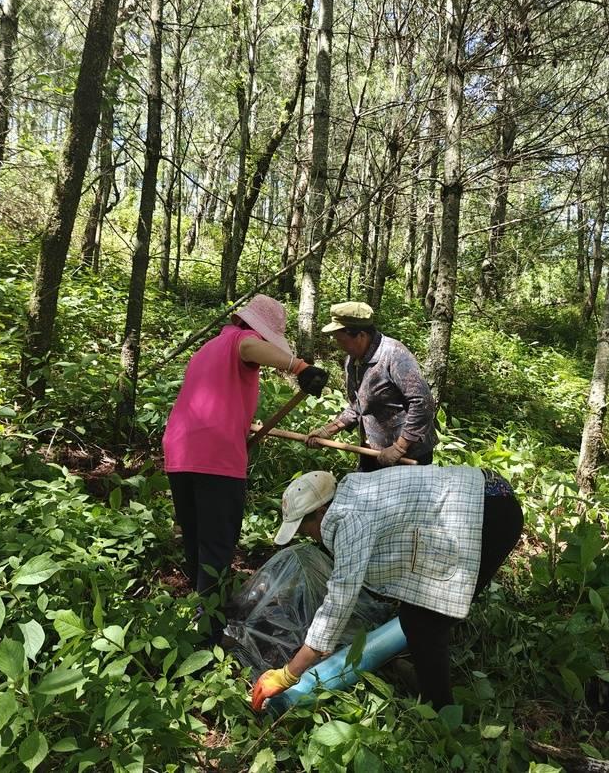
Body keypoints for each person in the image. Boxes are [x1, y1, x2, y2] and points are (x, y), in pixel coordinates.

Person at [249, 465, 523, 711]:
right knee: (418, 616)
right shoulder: (351, 493)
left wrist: (289, 674)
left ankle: (440, 713)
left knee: (426, 622)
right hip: (481, 498)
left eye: (305, 529)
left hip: (489, 513)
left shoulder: (350, 519)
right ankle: (428, 677)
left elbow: (339, 601)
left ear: (321, 512)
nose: (309, 536)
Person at [162, 294, 328, 643]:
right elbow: (250, 347)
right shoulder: (241, 341)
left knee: (196, 539)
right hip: (215, 457)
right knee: (217, 545)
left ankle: (203, 612)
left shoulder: (208, 348)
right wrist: (300, 367)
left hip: (181, 450)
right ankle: (210, 634)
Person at [305, 302, 437, 470]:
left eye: (342, 340)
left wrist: (400, 447)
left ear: (361, 335)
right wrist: (327, 430)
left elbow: (422, 402)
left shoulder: (394, 354)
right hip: (372, 451)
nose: (339, 346)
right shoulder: (352, 361)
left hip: (409, 454)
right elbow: (357, 405)